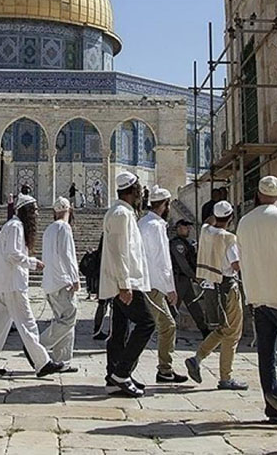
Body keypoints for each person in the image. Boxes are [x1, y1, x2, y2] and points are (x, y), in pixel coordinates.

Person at [0, 195, 64, 377]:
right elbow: (12, 255)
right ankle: (43, 362)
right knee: (28, 323)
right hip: (13, 284)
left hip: (9, 283)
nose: (37, 214)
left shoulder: (14, 226)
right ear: (26, 211)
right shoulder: (16, 227)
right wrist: (33, 262)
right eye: (35, 210)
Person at [100, 171, 155, 398]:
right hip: (125, 282)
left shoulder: (123, 212)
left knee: (120, 330)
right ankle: (121, 373)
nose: (141, 193)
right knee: (146, 323)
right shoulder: (121, 214)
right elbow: (119, 251)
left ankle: (114, 378)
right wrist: (124, 285)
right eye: (139, 190)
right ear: (132, 190)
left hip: (124, 281)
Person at [185, 200, 247, 391]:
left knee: (222, 328)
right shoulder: (228, 238)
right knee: (232, 332)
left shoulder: (206, 231)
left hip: (210, 287)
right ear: (230, 218)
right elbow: (236, 265)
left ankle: (197, 358)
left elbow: (209, 221)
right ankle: (225, 377)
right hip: (226, 286)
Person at [237, 176, 277, 423]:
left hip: (257, 295)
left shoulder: (244, 222)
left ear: (258, 194)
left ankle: (272, 408)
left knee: (266, 355)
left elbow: (242, 257)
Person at [139, 186, 188, 383]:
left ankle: (163, 369)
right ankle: (161, 369)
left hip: (145, 282)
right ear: (166, 205)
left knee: (161, 326)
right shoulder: (157, 225)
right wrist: (170, 288)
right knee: (159, 327)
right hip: (154, 285)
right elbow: (162, 260)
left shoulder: (142, 222)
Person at [39, 197, 80, 371]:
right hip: (62, 281)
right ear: (68, 210)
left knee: (62, 320)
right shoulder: (64, 227)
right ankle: (37, 347)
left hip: (50, 281)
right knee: (69, 318)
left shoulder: (49, 229)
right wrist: (75, 277)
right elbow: (67, 254)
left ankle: (62, 361)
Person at [169, 219, 210, 339]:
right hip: (178, 280)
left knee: (194, 306)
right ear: (179, 228)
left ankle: (205, 331)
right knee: (173, 308)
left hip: (185, 280)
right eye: (186, 227)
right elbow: (183, 265)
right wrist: (195, 277)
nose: (188, 229)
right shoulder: (177, 244)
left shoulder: (187, 243)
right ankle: (166, 333)